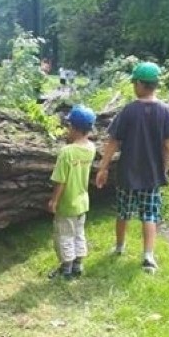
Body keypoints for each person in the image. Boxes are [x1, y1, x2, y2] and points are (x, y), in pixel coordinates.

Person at [95, 61, 169, 273]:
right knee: (149, 214)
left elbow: (113, 141)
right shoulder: (167, 112)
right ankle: (148, 256)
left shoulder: (129, 111)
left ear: (140, 84)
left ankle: (120, 247)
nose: (134, 86)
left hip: (127, 172)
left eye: (134, 83)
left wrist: (103, 168)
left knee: (123, 212)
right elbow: (168, 146)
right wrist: (163, 170)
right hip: (151, 174)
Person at [48, 105, 97, 280]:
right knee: (79, 233)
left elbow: (61, 180)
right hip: (83, 200)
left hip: (67, 202)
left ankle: (66, 268)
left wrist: (54, 201)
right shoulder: (91, 148)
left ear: (74, 128)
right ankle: (78, 265)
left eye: (69, 126)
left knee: (64, 236)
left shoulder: (66, 152)